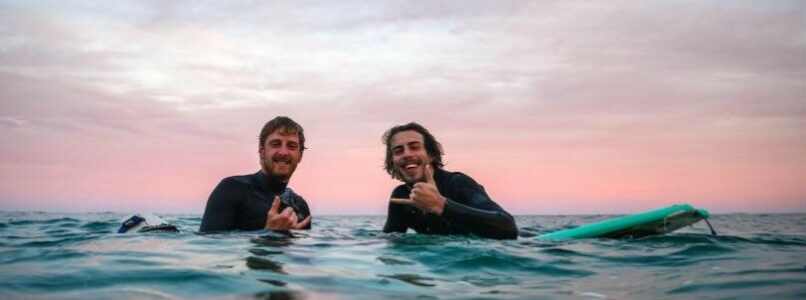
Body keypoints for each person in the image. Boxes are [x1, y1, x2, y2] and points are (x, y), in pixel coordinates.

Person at [381, 122, 518, 240]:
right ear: (392, 162)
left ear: (431, 155)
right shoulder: (401, 196)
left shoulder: (457, 183)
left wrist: (441, 205)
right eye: (398, 151)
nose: (407, 154)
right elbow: (390, 239)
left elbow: (509, 229)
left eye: (415, 147)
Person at [199, 116, 312, 233]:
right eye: (275, 144)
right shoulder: (232, 189)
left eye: (291, 146)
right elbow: (208, 246)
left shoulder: (300, 207)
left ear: (300, 155)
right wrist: (270, 233)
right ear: (261, 151)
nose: (283, 152)